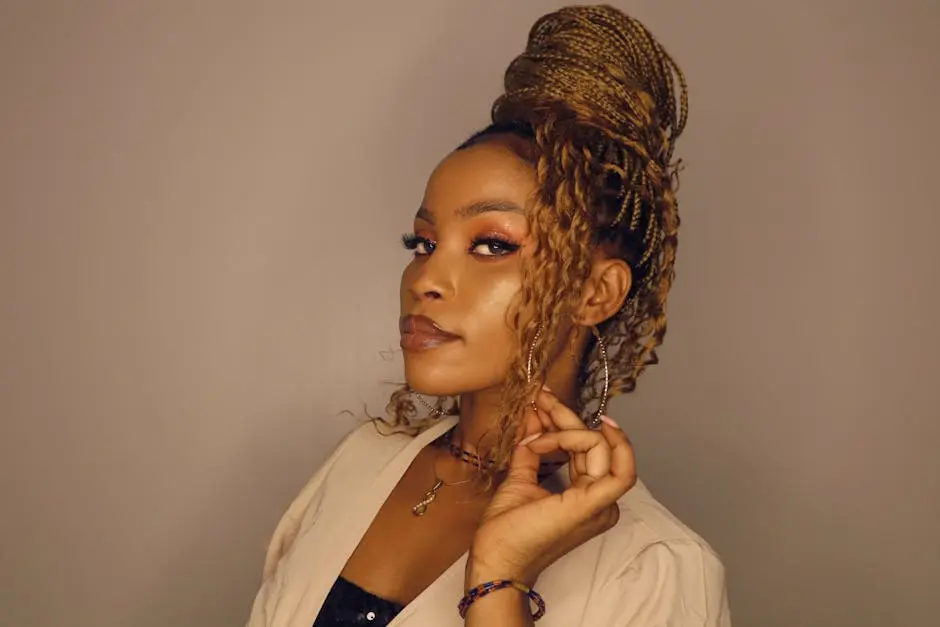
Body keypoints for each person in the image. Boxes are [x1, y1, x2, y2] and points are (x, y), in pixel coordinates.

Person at [246, 5, 730, 626]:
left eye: (492, 245)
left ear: (595, 293)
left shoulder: (656, 568)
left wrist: (501, 579)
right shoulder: (361, 462)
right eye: (422, 243)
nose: (427, 279)